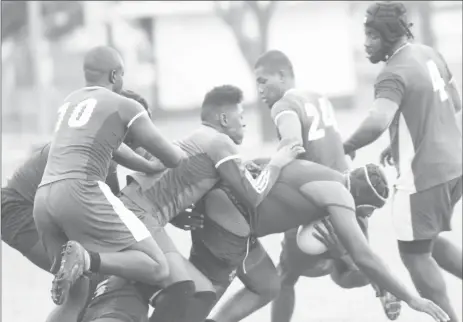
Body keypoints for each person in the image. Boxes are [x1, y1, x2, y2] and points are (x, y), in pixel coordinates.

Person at [77, 162, 448, 322]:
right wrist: (411, 297)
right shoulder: (341, 198)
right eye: (364, 213)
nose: (361, 219)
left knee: (267, 284)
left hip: (238, 221)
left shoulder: (328, 176)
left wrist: (194, 202)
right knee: (196, 299)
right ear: (364, 204)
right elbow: (364, 258)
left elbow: (254, 167)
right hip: (232, 223)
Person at [236, 49, 400, 321]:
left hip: (316, 198)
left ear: (282, 75)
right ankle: (379, 282)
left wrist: (258, 163)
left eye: (263, 81)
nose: (260, 89)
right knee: (346, 273)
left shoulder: (283, 105)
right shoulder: (319, 97)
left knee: (285, 276)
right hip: (350, 195)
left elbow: (292, 146)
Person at [33, 45, 188, 307]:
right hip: (80, 190)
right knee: (158, 266)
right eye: (123, 75)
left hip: (44, 200)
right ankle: (86, 258)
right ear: (115, 75)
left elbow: (113, 148)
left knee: (75, 300)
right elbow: (172, 157)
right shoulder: (125, 105)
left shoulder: (69, 103)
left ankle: (82, 261)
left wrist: (146, 166)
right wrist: (181, 152)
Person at [342, 3, 462, 321]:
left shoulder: (392, 73)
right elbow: (455, 103)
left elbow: (377, 121)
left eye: (371, 35)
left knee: (413, 254)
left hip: (424, 176)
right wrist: (401, 143)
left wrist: (347, 145)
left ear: (389, 35)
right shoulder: (428, 53)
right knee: (428, 240)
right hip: (456, 167)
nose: (365, 42)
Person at [2, 89, 153, 273]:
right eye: (141, 124)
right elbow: (116, 213)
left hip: (38, 206)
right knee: (86, 273)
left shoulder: (97, 140)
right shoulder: (103, 153)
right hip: (16, 208)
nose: (146, 132)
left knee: (84, 275)